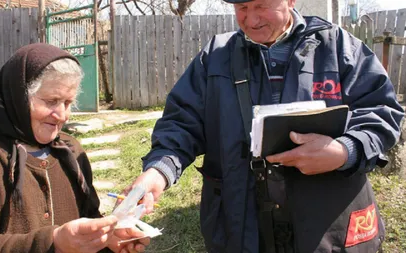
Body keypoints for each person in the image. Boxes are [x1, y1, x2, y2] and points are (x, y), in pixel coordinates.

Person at [125, 0, 404, 252]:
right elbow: (182, 124)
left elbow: (381, 111)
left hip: (327, 221)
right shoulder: (215, 56)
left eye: (261, 6)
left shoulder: (339, 47)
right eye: (242, 9)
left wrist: (345, 151)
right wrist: (158, 171)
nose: (251, 19)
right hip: (241, 222)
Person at [0, 43, 150, 253]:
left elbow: (87, 223)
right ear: (18, 97)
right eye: (51, 101)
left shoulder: (71, 151)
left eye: (67, 103)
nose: (62, 115)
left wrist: (107, 238)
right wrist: (54, 242)